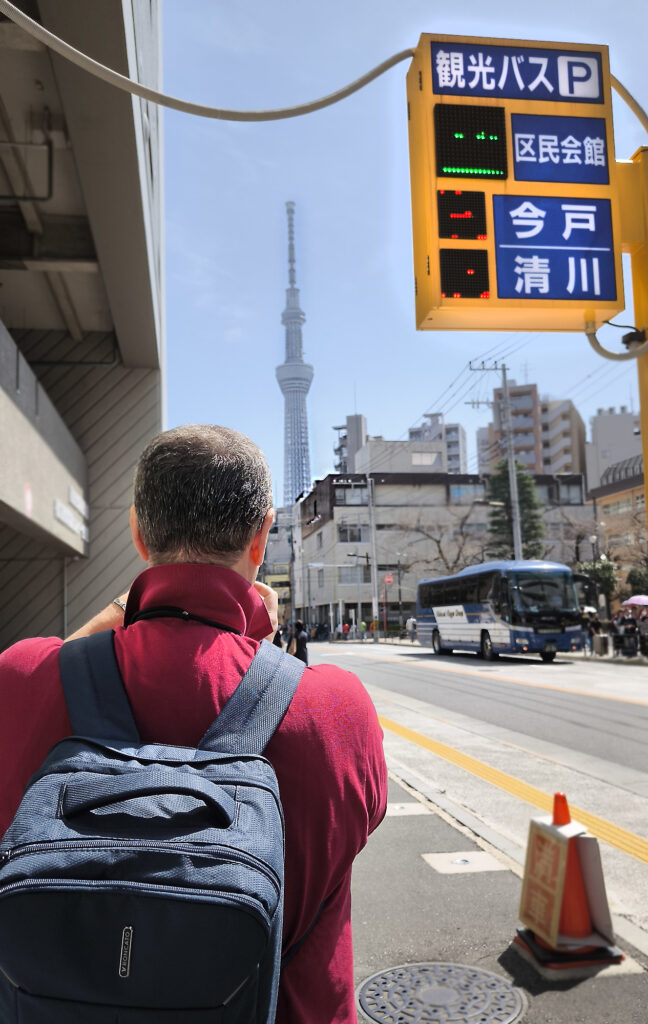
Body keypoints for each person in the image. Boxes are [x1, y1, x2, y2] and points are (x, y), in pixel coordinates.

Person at [0, 424, 387, 1024]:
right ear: (262, 535)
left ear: (136, 531)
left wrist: (122, 610)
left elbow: (42, 675)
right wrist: (260, 649)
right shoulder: (334, 709)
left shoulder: (21, 680)